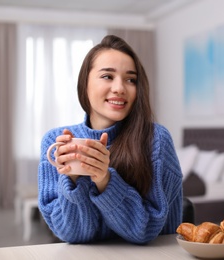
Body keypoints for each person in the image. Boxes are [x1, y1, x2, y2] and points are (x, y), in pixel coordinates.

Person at [38, 35, 183, 244]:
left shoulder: (155, 139)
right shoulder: (56, 142)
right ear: (84, 83)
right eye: (107, 76)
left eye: (131, 79)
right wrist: (72, 178)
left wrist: (104, 180)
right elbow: (71, 235)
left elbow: (145, 230)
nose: (120, 88)